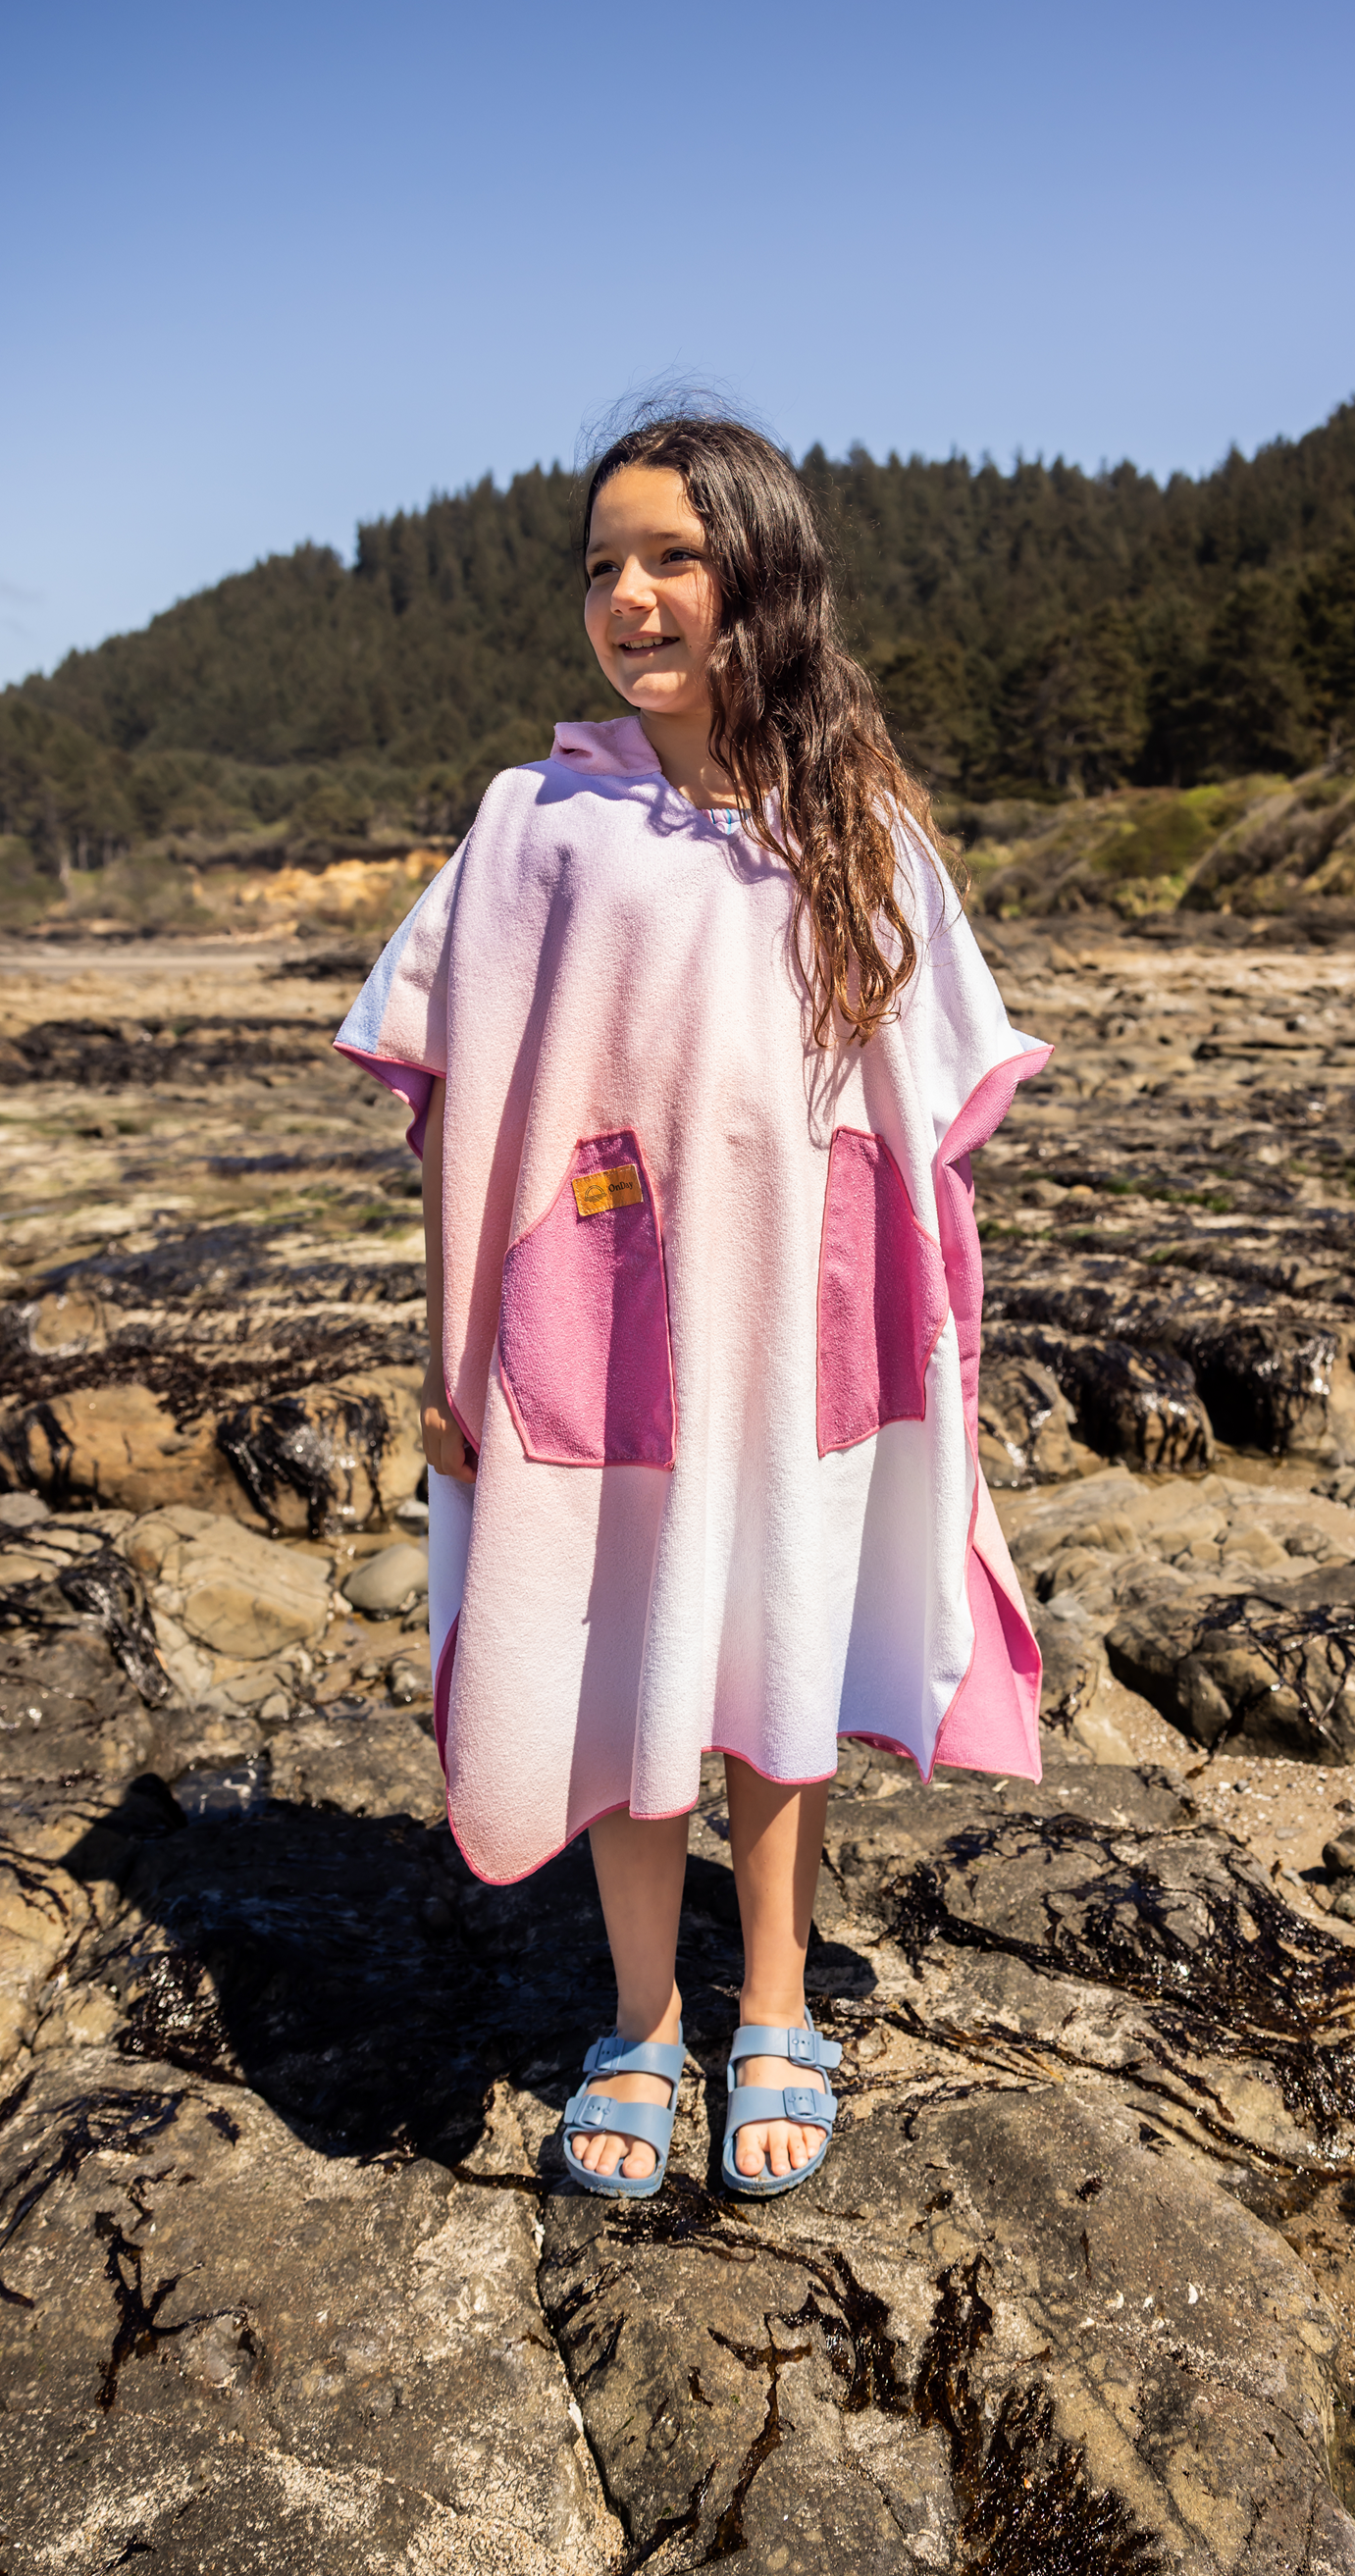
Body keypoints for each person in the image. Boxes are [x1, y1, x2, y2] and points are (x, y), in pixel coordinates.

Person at [336, 410, 1050, 2201]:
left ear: (760, 575)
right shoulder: (531, 829)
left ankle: (781, 1998)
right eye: (601, 566)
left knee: (772, 1654)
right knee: (628, 1661)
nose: (632, 598)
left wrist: (920, 1343)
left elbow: (923, 1102)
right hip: (595, 1334)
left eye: (671, 557)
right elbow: (456, 1100)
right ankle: (645, 2017)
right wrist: (445, 1359)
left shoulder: (849, 820)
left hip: (794, 1339)